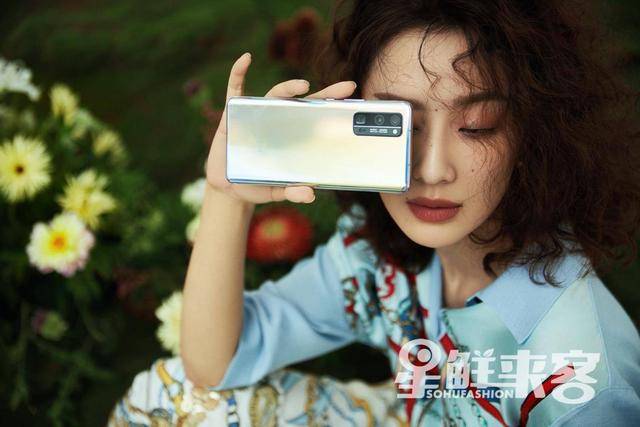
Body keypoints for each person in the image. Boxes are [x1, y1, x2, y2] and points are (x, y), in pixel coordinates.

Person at [109, 0, 640, 425]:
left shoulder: (582, 374)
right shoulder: (374, 255)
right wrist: (225, 196)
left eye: (476, 125)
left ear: (533, 131)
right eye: (398, 123)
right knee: (167, 396)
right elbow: (214, 363)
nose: (432, 169)